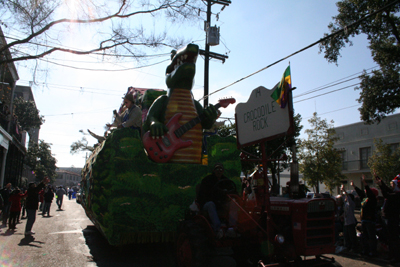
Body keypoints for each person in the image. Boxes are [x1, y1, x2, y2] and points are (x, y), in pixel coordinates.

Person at [197, 163, 238, 238]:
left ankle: (232, 227)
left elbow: (232, 190)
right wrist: (216, 194)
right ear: (214, 170)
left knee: (234, 203)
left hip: (221, 203)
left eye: (221, 169)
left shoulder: (226, 180)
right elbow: (203, 195)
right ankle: (218, 229)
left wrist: (228, 194)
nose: (219, 171)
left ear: (223, 171)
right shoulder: (207, 180)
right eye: (217, 169)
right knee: (210, 204)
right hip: (208, 203)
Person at [374, 172, 400, 264]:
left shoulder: (397, 195)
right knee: (390, 239)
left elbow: (386, 194)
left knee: (394, 239)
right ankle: (391, 255)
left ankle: (396, 257)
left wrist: (380, 185)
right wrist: (378, 178)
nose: (391, 185)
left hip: (393, 219)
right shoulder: (394, 192)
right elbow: (386, 188)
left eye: (393, 184)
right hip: (388, 219)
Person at [351, 175, 378, 257]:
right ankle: (365, 250)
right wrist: (354, 186)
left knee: (371, 237)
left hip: (370, 220)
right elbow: (360, 193)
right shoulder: (365, 199)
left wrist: (365, 183)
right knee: (364, 237)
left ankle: (373, 251)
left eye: (367, 191)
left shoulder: (372, 199)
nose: (365, 192)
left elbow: (369, 192)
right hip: (364, 220)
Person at [340, 185, 358, 252]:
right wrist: (342, 191)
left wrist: (344, 190)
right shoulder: (346, 204)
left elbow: (348, 198)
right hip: (346, 221)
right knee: (346, 235)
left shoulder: (352, 204)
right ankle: (348, 246)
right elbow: (343, 197)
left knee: (352, 235)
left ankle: (354, 247)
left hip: (350, 222)